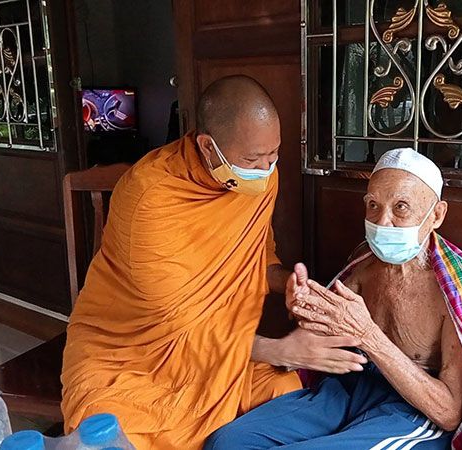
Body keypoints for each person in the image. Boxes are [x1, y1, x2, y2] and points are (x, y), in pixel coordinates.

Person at [61, 75, 367, 449]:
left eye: (273, 154)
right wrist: (278, 350)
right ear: (208, 146)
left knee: (284, 392)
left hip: (220, 354)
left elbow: (256, 258)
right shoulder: (150, 198)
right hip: (132, 357)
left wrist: (286, 282)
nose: (265, 168)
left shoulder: (259, 179)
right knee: (109, 434)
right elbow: (177, 327)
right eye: (252, 159)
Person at [204, 148, 462, 450]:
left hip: (412, 410)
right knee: (228, 442)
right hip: (350, 387)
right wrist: (305, 308)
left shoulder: (458, 286)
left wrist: (368, 335)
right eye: (373, 205)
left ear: (436, 214)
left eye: (401, 207)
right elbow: (327, 331)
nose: (382, 222)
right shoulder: (364, 263)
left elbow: (449, 414)